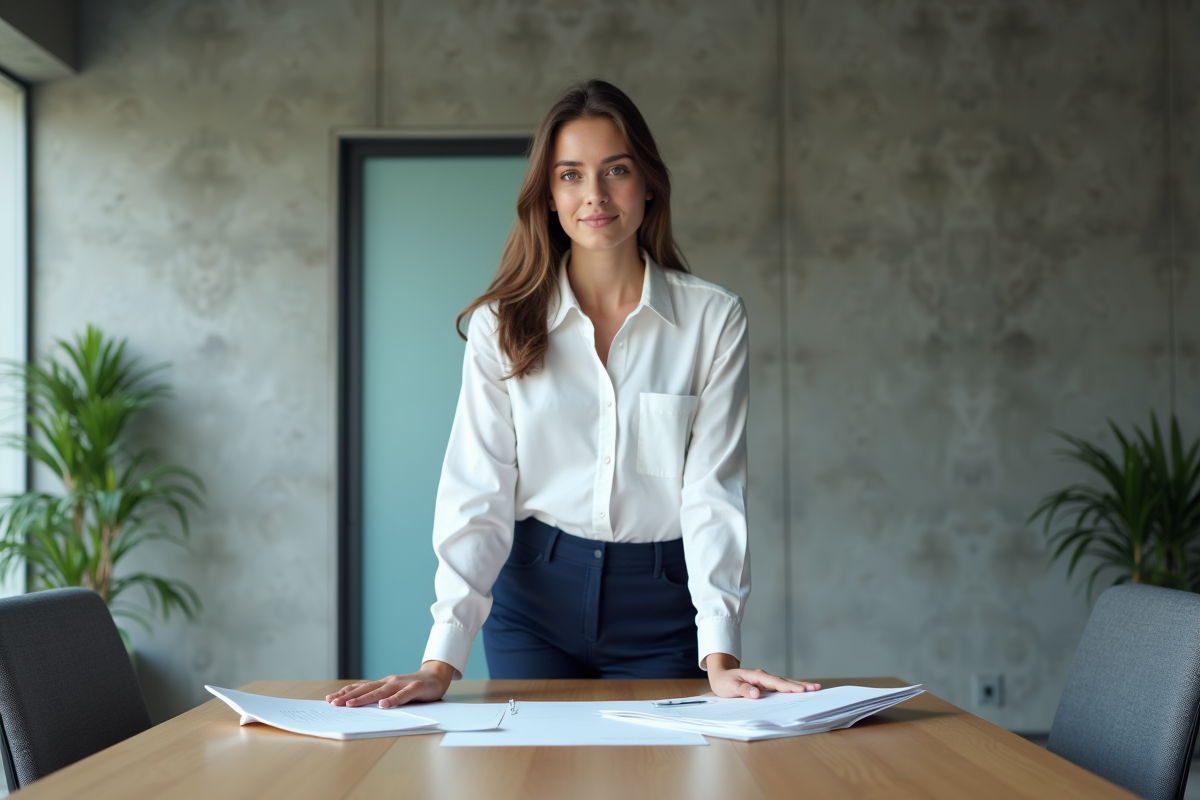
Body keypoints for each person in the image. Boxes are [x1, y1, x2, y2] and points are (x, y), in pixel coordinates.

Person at [328, 79, 820, 710]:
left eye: (616, 169)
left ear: (648, 184)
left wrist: (721, 658)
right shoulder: (501, 326)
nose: (595, 195)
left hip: (661, 603)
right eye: (570, 174)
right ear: (549, 196)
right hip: (533, 598)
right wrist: (440, 663)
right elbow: (476, 491)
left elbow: (713, 494)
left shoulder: (714, 320)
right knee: (533, 776)